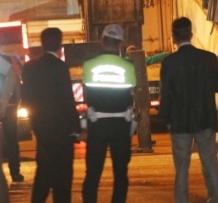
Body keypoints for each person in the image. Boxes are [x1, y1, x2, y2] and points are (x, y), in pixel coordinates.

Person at [159, 17, 218, 203]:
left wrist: (166, 118)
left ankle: (182, 200)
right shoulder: (208, 58)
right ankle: (216, 195)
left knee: (181, 166)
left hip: (180, 122)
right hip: (205, 118)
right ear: (191, 34)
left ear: (174, 37)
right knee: (209, 161)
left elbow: (167, 95)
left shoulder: (169, 63)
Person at [20, 27, 82, 203]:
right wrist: (76, 129)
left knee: (43, 176)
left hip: (42, 131)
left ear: (41, 43)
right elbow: (67, 101)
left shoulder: (30, 67)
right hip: (62, 133)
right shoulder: (60, 67)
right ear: (60, 45)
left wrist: (36, 123)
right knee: (62, 180)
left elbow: (26, 99)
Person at [82, 24, 137, 203]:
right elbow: (131, 94)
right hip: (121, 125)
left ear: (102, 40)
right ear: (120, 43)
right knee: (120, 173)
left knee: (92, 173)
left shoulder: (89, 65)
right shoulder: (128, 66)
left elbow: (87, 95)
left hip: (97, 125)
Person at [0, 53, 24, 183]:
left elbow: (13, 76)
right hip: (9, 106)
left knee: (11, 140)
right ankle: (15, 172)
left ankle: (15, 171)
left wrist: (3, 101)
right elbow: (16, 79)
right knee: (11, 140)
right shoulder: (8, 60)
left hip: (6, 105)